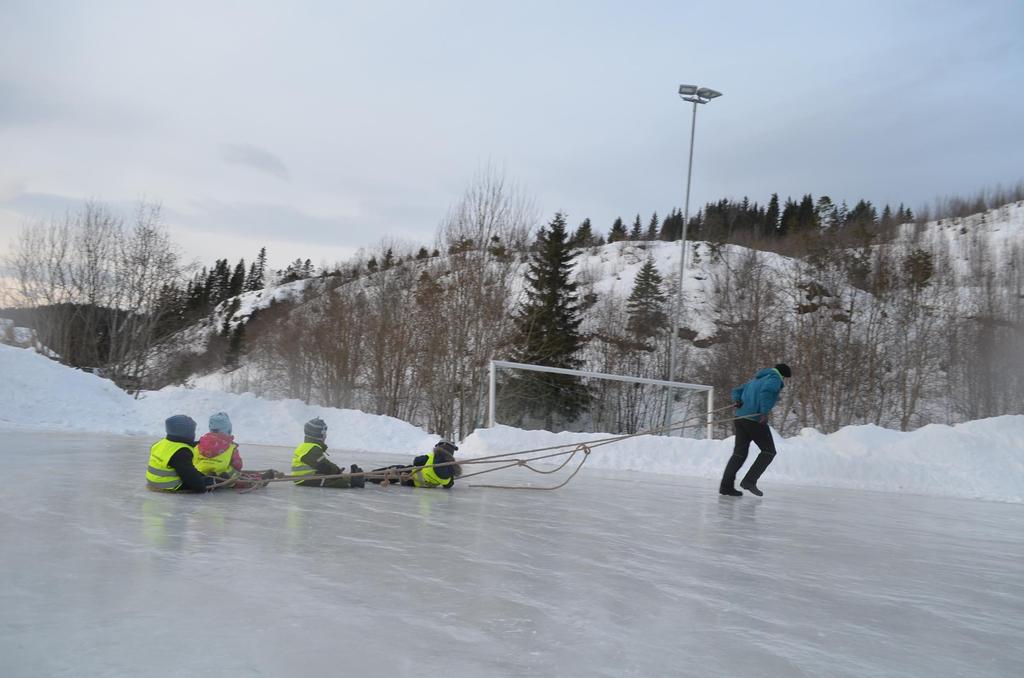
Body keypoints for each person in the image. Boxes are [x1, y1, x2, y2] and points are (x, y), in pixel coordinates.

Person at [719, 363, 792, 497]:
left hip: (740, 418)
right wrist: (764, 412)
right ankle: (749, 481)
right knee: (769, 451)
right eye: (785, 378)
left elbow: (736, 390)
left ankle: (726, 487)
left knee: (739, 454)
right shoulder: (775, 379)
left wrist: (737, 400)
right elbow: (766, 392)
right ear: (783, 375)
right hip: (754, 419)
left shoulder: (756, 379)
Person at [195, 412, 281, 487]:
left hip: (201, 475)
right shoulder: (230, 447)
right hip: (223, 477)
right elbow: (238, 465)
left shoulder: (199, 444)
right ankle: (260, 480)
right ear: (228, 430)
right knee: (239, 477)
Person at [146, 414, 216, 493]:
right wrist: (204, 486)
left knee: (200, 476)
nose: (194, 434)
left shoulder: (161, 444)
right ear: (186, 433)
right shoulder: (181, 452)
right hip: (168, 485)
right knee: (208, 481)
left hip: (154, 481)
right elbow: (190, 477)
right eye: (192, 431)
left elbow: (179, 444)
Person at [291, 417, 365, 488]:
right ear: (317, 434)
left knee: (334, 476)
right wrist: (337, 472)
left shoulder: (308, 446)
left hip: (308, 476)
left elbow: (324, 463)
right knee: (338, 482)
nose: (325, 436)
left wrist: (337, 471)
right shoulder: (311, 449)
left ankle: (352, 478)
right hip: (305, 479)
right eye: (324, 433)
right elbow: (324, 466)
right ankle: (353, 481)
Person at [369, 440, 462, 489]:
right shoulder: (451, 470)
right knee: (399, 474)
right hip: (417, 485)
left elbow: (416, 461)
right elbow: (449, 485)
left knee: (395, 470)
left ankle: (370, 476)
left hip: (411, 477)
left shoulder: (431, 457)